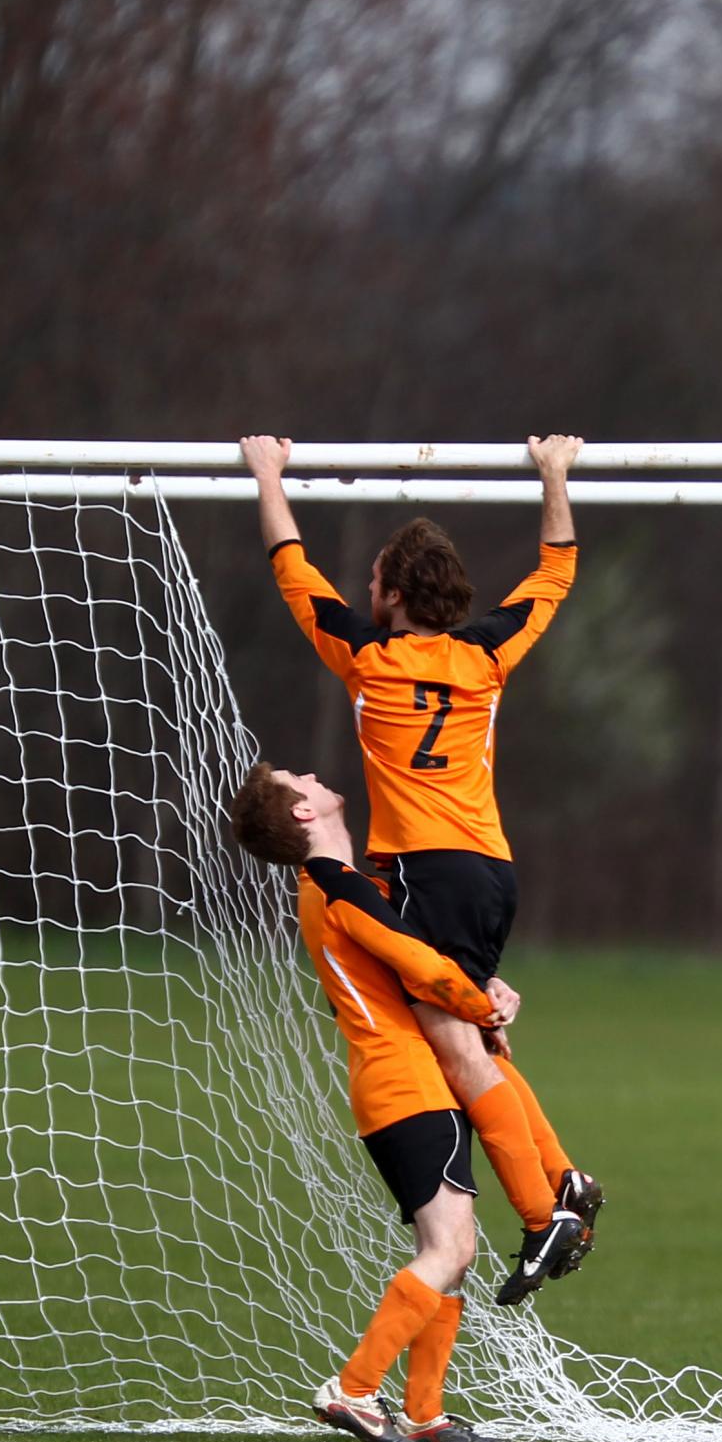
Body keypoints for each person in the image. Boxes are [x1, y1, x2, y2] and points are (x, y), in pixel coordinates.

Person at [240, 431, 600, 1305]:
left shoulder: (367, 660)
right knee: (475, 1041)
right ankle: (567, 1183)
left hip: (430, 874)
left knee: (456, 1049)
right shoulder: (486, 657)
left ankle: (544, 1206)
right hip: (491, 870)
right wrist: (555, 475)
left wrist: (269, 477)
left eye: (373, 583)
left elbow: (295, 573)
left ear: (394, 597)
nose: (365, 593)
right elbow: (555, 570)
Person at [230, 760, 517, 1442]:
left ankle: (426, 1412)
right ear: (304, 813)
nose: (309, 773)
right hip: (406, 1080)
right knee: (450, 1245)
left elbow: (419, 959)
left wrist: (486, 990)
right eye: (296, 779)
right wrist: (483, 1009)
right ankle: (353, 1389)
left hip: (402, 1079)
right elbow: (421, 969)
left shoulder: (346, 885)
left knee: (449, 1247)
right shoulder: (339, 888)